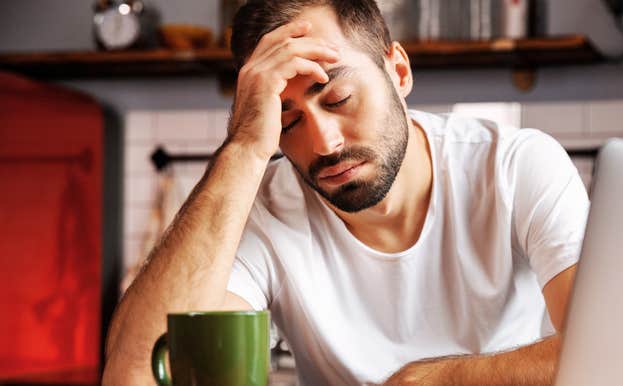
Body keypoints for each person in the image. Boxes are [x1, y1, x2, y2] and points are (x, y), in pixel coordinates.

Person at [103, 1, 589, 385]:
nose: (325, 144)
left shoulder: (515, 165)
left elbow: (610, 349)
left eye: (339, 99)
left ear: (398, 73)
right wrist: (245, 146)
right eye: (287, 122)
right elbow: (134, 374)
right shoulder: (260, 208)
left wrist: (437, 380)